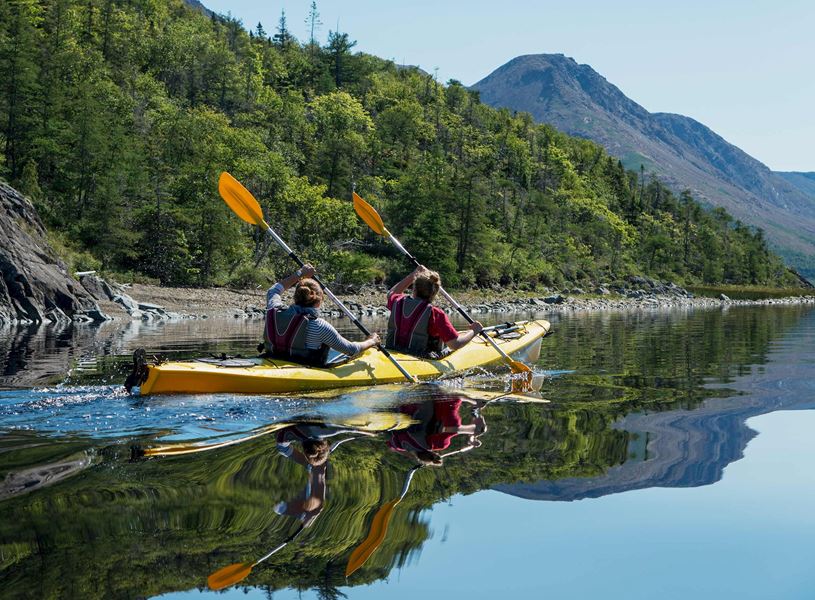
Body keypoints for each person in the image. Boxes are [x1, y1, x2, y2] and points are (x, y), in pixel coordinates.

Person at [265, 264, 379, 366]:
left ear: (295, 297)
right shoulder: (319, 325)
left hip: (272, 360)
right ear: (320, 300)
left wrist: (300, 273)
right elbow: (351, 349)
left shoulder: (275, 310)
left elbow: (273, 291)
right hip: (304, 370)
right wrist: (372, 341)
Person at [385, 265, 483, 357]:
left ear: (414, 288)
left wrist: (413, 274)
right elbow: (455, 344)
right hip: (421, 358)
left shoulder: (397, 301)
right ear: (435, 292)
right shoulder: (436, 314)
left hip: (392, 351)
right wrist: (474, 331)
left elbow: (392, 293)